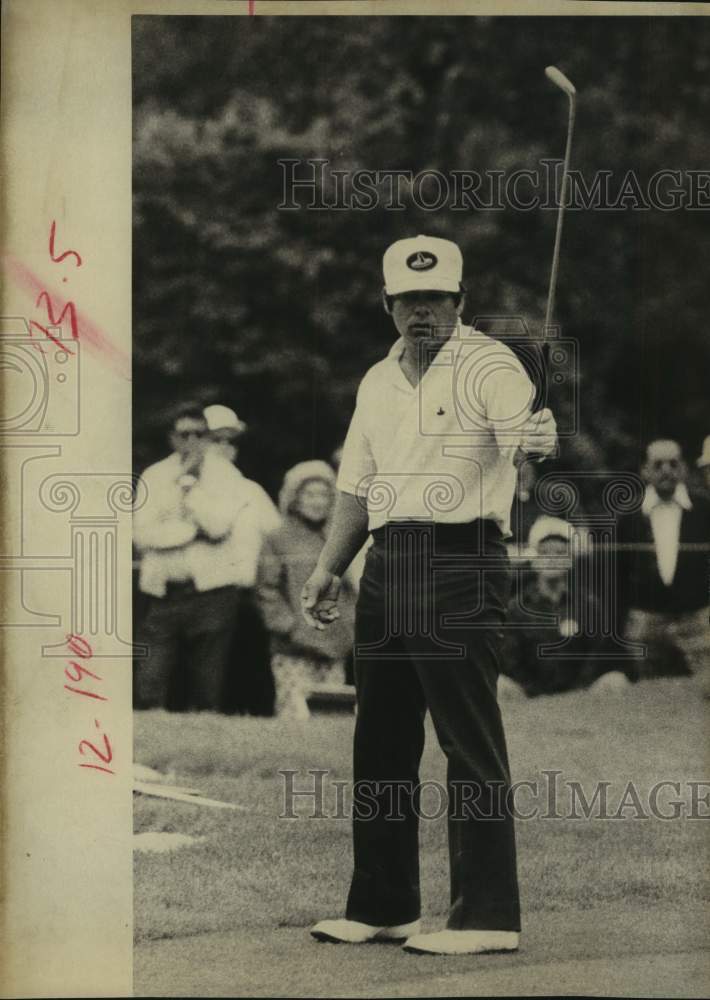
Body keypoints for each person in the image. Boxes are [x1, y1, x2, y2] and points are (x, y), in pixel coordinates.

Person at [300, 234, 557, 955]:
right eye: (410, 301)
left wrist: (536, 437)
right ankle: (384, 904)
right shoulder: (376, 381)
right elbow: (357, 484)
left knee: (466, 738)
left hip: (461, 559)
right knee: (379, 736)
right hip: (386, 561)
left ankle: (487, 918)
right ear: (387, 305)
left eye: (438, 300)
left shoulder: (489, 364)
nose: (424, 313)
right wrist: (328, 567)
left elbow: (524, 435)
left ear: (460, 302)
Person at [133, 401, 278, 711]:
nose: (192, 442)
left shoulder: (228, 477)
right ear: (172, 437)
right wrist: (189, 533)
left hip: (212, 592)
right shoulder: (155, 475)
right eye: (184, 434)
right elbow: (142, 535)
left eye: (200, 435)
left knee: (207, 684)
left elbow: (217, 526)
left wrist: (190, 487)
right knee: (151, 680)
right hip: (164, 590)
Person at [257, 460, 356, 718]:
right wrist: (290, 627)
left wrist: (350, 628)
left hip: (334, 644)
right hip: (293, 647)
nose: (317, 501)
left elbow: (351, 589)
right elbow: (266, 590)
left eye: (324, 494)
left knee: (332, 715)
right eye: (310, 494)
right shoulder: (277, 537)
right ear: (294, 498)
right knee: (295, 714)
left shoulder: (339, 538)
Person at [203, 404, 282, 715]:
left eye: (231, 441)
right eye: (216, 439)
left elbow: (276, 536)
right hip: (202, 597)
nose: (224, 448)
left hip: (247, 596)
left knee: (246, 668)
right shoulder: (183, 484)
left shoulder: (250, 490)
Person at [501, 516, 636, 696]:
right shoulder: (516, 608)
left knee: (616, 679)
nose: (552, 559)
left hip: (581, 693)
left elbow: (598, 654)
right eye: (545, 553)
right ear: (534, 560)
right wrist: (533, 692)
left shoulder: (588, 605)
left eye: (560, 553)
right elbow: (511, 660)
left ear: (571, 559)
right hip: (530, 695)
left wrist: (582, 688)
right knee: (499, 684)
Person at [617, 439, 710, 687]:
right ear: (644, 470)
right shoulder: (628, 515)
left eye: (673, 463)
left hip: (698, 618)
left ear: (684, 469)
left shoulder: (704, 509)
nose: (666, 470)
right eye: (657, 464)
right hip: (646, 621)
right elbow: (619, 574)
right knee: (650, 693)